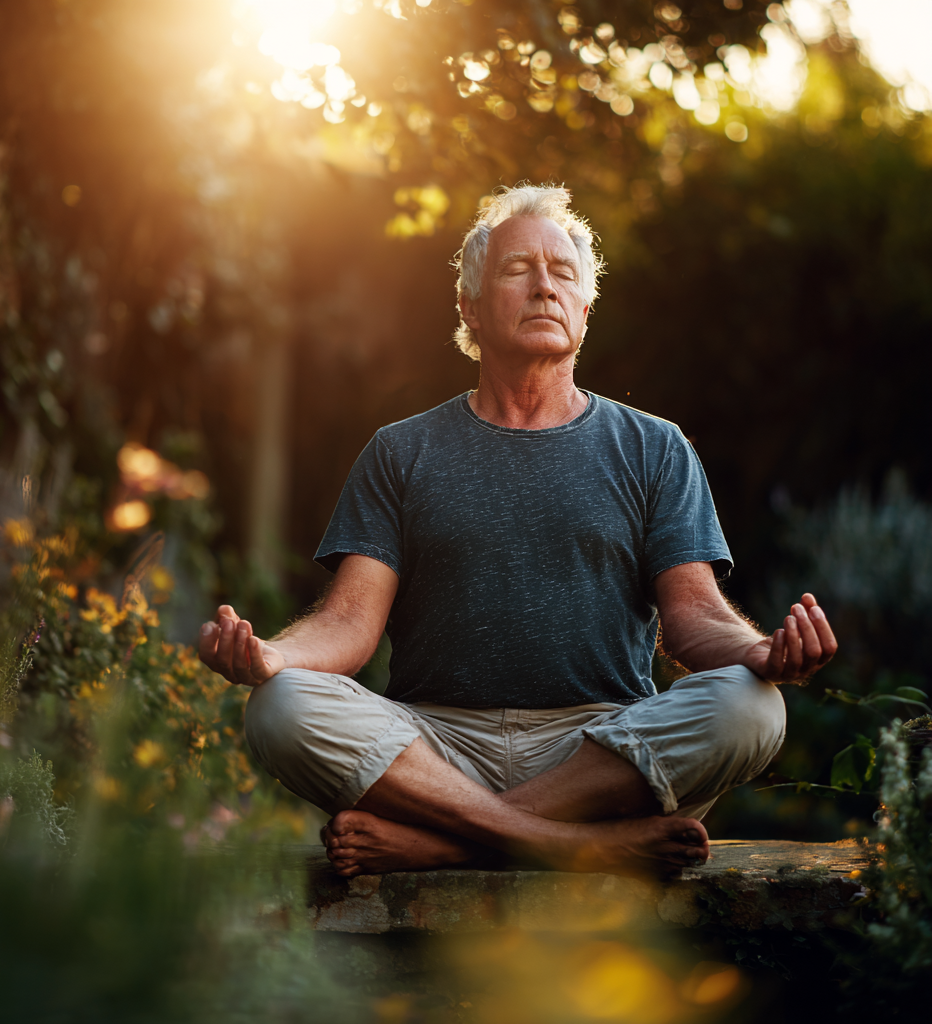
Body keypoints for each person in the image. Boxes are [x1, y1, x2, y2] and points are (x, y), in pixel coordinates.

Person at [198, 185, 837, 879]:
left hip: (599, 749)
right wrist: (273, 657)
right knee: (280, 707)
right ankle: (569, 844)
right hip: (435, 745)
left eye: (563, 274)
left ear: (585, 313)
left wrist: (763, 651)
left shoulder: (655, 448)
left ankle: (444, 843)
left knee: (752, 707)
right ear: (469, 308)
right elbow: (350, 622)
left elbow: (692, 621)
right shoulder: (400, 451)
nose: (543, 287)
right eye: (516, 270)